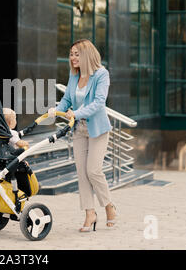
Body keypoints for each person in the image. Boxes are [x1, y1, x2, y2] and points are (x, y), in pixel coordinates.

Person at [48, 39, 117, 232]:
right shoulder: (74, 75)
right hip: (79, 130)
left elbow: (98, 103)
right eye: (71, 54)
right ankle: (90, 214)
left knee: (93, 170)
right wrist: (57, 110)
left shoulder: (102, 75)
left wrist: (76, 113)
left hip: (97, 129)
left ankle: (109, 206)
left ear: (87, 54)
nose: (72, 57)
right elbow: (68, 99)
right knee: (82, 173)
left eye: (77, 54)